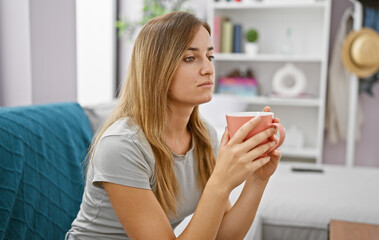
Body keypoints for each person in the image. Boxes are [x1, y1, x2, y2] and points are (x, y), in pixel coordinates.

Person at [66, 11, 283, 240]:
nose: (208, 69)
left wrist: (258, 179)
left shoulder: (204, 136)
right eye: (190, 58)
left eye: (210, 57)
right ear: (157, 70)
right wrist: (220, 182)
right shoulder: (122, 146)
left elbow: (224, 236)